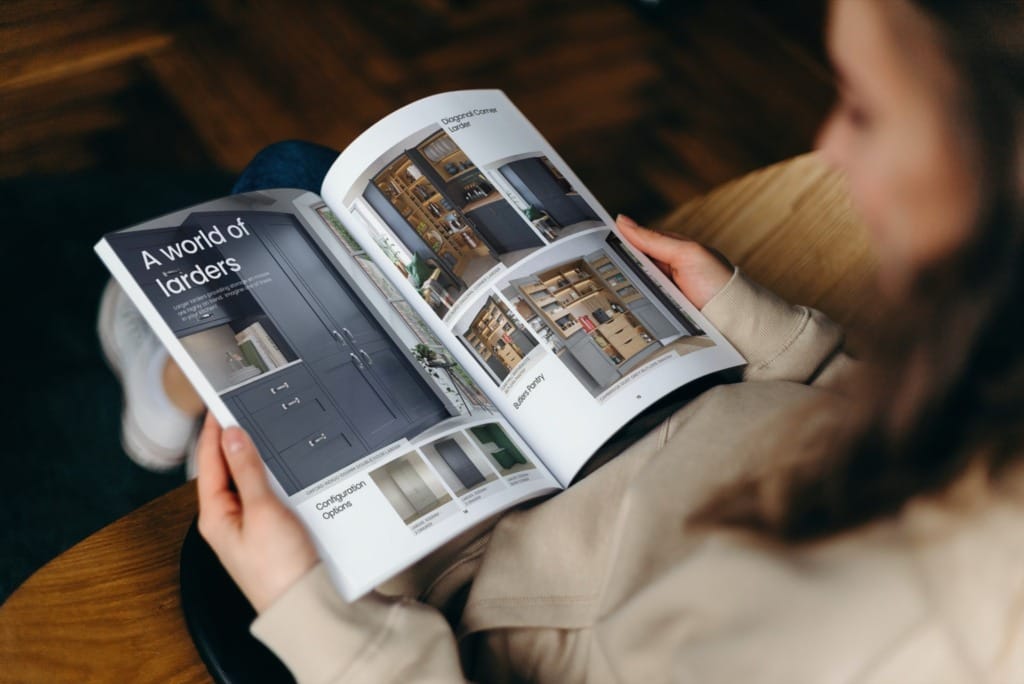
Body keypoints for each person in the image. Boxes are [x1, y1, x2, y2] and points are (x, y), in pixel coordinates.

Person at [113, 0, 1024, 679]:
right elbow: (890, 431)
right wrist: (770, 336)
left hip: (493, 560)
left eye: (866, 108)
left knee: (283, 206)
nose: (829, 143)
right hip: (683, 403)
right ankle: (174, 384)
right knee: (314, 185)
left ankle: (170, 386)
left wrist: (304, 607)